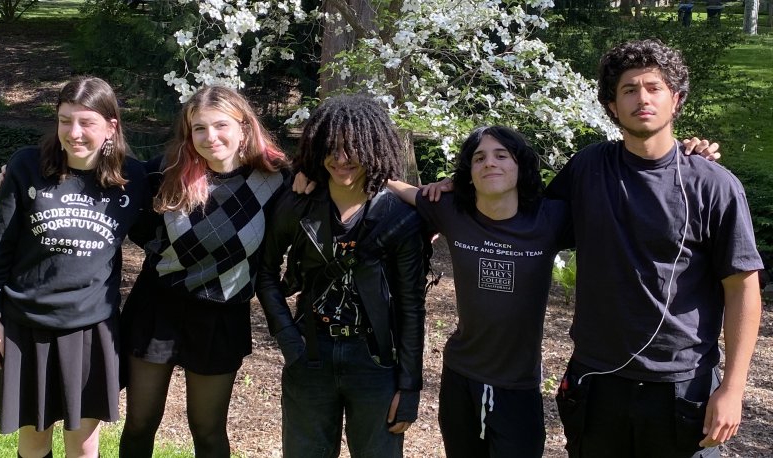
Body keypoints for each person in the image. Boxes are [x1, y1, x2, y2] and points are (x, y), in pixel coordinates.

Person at [547, 39, 763, 457]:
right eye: (629, 89)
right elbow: (525, 223)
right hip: (597, 383)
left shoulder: (714, 186)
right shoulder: (588, 168)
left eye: (654, 87)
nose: (641, 98)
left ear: (675, 99)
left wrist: (733, 390)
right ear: (612, 105)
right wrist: (455, 194)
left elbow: (743, 288)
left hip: (683, 388)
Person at [0, 76, 148, 458]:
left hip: (91, 328)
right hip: (26, 325)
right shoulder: (27, 166)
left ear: (111, 126)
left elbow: (186, 186)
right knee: (34, 441)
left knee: (83, 444)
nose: (73, 133)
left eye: (86, 122)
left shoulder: (133, 178)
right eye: (64, 120)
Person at [118, 85, 289, 457]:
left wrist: (419, 196)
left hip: (221, 316)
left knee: (208, 431)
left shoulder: (276, 181)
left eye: (221, 126)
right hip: (157, 309)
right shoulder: (166, 171)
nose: (210, 138)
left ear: (244, 127)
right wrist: (24, 174)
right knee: (140, 424)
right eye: (199, 128)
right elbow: (109, 185)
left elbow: (339, 188)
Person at [256, 94, 427, 457]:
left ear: (374, 147)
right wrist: (288, 338)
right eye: (331, 148)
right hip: (309, 355)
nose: (341, 159)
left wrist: (410, 385)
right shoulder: (298, 203)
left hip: (377, 363)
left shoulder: (399, 217)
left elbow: (412, 306)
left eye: (353, 148)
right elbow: (265, 271)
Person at [388, 126, 571, 457]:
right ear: (468, 173)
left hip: (519, 386)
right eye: (479, 158)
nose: (490, 163)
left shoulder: (550, 219)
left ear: (521, 166)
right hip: (461, 378)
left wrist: (693, 155)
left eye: (502, 155)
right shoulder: (451, 211)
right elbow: (396, 186)